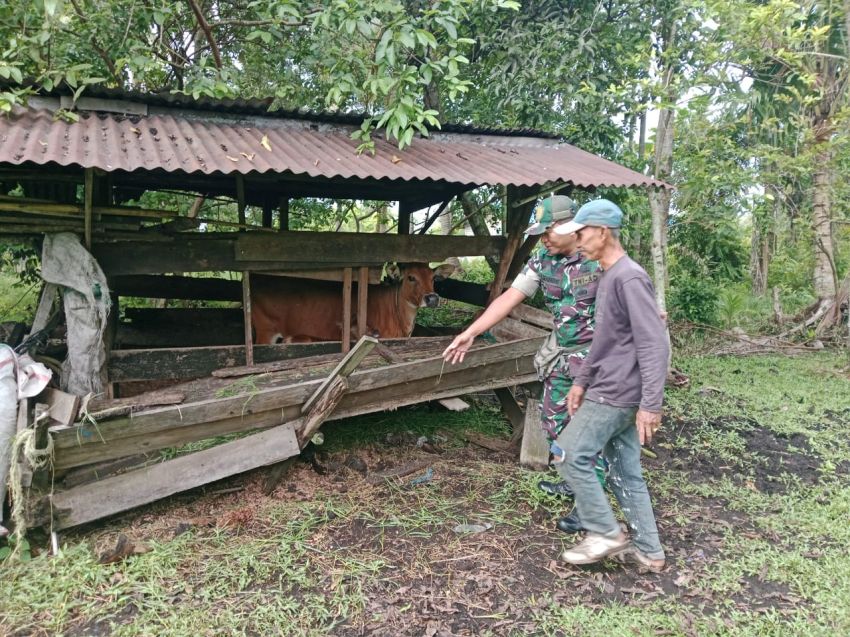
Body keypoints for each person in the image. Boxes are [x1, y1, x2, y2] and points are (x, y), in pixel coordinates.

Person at [442, 194, 601, 533]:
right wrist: (471, 332)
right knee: (554, 419)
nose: (543, 239)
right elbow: (509, 298)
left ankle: (589, 507)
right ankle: (572, 479)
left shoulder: (599, 257)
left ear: (569, 226)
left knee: (588, 429)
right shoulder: (543, 259)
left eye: (548, 231)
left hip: (598, 358)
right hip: (563, 353)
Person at [551, 198, 668, 572]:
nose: (578, 241)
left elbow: (654, 343)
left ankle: (604, 532)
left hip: (617, 392)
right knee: (624, 470)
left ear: (602, 232)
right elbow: (605, 339)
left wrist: (651, 404)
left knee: (567, 453)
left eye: (582, 233)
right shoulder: (609, 275)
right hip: (610, 386)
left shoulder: (629, 278)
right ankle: (650, 551)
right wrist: (581, 381)